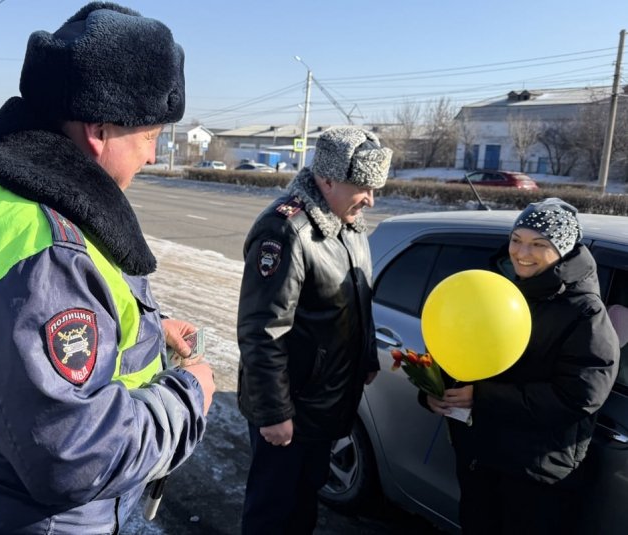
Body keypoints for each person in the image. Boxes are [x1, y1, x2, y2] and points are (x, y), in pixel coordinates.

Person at [0, 3, 215, 533]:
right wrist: (190, 395)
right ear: (98, 129)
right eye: (150, 136)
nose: (152, 156)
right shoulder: (47, 250)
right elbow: (76, 455)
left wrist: (146, 328)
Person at [425, 198, 619, 534]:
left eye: (539, 244)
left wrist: (481, 397)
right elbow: (461, 348)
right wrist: (434, 392)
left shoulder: (584, 311)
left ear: (563, 249)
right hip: (480, 456)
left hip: (534, 471)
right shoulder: (495, 289)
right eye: (516, 240)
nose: (522, 252)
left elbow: (580, 395)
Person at [237, 126, 392, 534]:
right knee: (273, 514)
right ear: (327, 180)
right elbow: (261, 331)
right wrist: (274, 413)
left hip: (326, 404)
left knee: (304, 506)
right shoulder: (286, 230)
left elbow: (358, 301)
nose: (370, 199)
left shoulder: (349, 226)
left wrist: (366, 358)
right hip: (291, 409)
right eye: (363, 187)